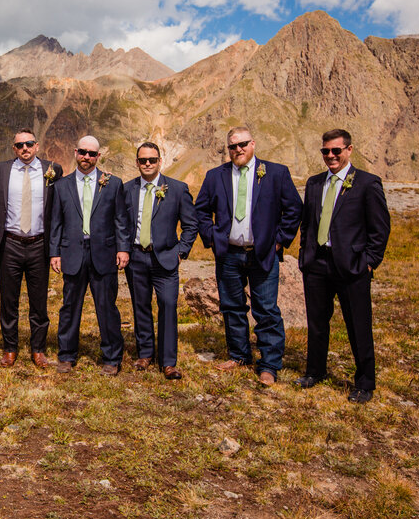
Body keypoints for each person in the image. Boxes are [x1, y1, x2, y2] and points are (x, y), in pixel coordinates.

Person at [194, 127, 302, 386]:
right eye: (232, 146)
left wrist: (279, 242)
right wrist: (212, 237)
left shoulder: (276, 173)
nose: (238, 150)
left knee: (266, 309)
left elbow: (294, 208)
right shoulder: (215, 176)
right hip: (228, 254)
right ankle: (239, 355)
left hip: (263, 253)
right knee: (231, 307)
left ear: (253, 143)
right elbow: (200, 210)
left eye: (242, 144)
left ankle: (269, 364)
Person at [296, 129, 390, 404]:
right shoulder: (314, 184)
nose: (331, 156)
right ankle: (315, 371)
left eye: (336, 150)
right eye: (326, 151)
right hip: (317, 265)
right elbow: (308, 224)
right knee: (316, 322)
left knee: (358, 325)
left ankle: (364, 382)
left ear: (349, 150)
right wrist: (305, 256)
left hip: (351, 267)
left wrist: (369, 262)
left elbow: (380, 228)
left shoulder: (367, 183)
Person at [49, 135, 131, 376]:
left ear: (98, 157)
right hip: (72, 252)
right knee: (69, 307)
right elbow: (56, 222)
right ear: (76, 152)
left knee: (107, 307)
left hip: (104, 253)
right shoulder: (62, 185)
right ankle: (66, 355)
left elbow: (121, 220)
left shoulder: (113, 184)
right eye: (83, 152)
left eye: (92, 154)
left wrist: (123, 247)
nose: (86, 157)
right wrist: (55, 252)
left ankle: (112, 357)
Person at [123, 142, 198, 380]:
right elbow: (121, 224)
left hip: (165, 258)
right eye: (143, 160)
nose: (147, 164)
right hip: (136, 257)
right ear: (137, 162)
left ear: (159, 162)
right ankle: (145, 354)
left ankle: (168, 362)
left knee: (168, 306)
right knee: (140, 306)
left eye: (152, 160)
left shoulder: (177, 189)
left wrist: (180, 251)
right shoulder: (127, 189)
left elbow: (190, 224)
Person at [0, 129, 63, 368]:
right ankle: (10, 348)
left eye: (29, 144)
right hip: (10, 243)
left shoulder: (53, 170)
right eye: (20, 145)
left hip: (39, 245)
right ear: (14, 148)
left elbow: (62, 202)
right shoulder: (1, 169)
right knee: (8, 300)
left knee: (39, 302)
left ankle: (38, 349)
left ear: (37, 145)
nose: (25, 148)